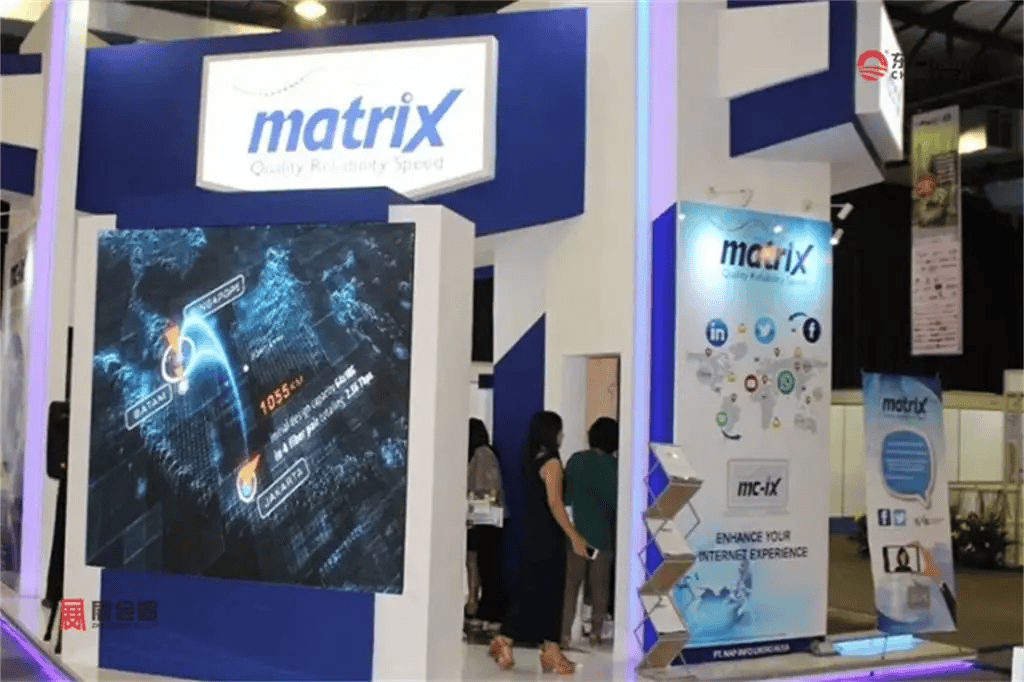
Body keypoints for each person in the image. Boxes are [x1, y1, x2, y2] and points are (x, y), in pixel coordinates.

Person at [489, 411, 587, 674]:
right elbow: (555, 504)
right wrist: (574, 536)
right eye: (559, 430)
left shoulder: (531, 460)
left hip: (532, 533)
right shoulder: (552, 463)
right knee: (548, 590)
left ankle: (540, 646)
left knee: (534, 588)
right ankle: (539, 647)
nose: (562, 435)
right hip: (547, 537)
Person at [561, 417, 618, 647]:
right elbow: (616, 502)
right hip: (602, 534)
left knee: (570, 586)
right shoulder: (614, 467)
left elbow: (566, 496)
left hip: (575, 533)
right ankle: (596, 633)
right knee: (599, 587)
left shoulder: (576, 460)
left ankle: (564, 633)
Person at [466, 418, 507, 631]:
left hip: (483, 519)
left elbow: (485, 489)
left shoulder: (481, 455)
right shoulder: (485, 454)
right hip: (484, 519)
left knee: (480, 563)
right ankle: (478, 604)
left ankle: (479, 605)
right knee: (481, 563)